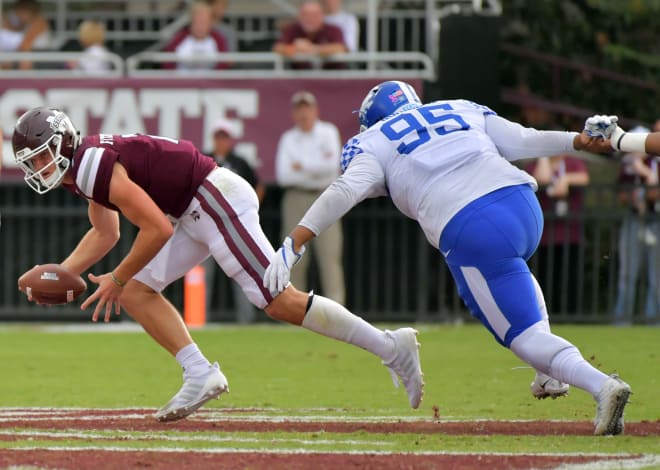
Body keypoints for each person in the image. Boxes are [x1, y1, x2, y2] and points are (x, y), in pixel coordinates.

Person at [11, 106, 424, 422]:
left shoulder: (90, 165)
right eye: (32, 162)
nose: (39, 168)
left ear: (64, 142)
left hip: (211, 198)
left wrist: (117, 277)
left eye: (43, 156)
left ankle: (390, 346)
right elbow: (107, 233)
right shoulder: (84, 168)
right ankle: (199, 373)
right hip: (191, 207)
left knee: (277, 300)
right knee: (138, 293)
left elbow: (155, 229)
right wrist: (61, 272)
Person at [265, 81, 632, 436]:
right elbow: (524, 139)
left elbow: (346, 189)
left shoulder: (373, 140)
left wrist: (296, 240)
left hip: (471, 224)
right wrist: (578, 141)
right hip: (523, 205)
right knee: (511, 270)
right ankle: (549, 371)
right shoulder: (459, 107)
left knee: (519, 336)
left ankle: (601, 385)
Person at [275, 90, 345, 303]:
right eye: (299, 109)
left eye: (307, 108)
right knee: (293, 256)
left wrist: (302, 167)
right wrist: (317, 168)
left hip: (325, 197)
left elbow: (333, 167)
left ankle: (338, 310)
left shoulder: (328, 132)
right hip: (296, 198)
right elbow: (283, 176)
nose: (303, 114)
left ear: (315, 111)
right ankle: (293, 308)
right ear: (293, 114)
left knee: (330, 257)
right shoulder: (288, 138)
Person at [203, 118, 265, 323]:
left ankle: (245, 320)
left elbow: (259, 185)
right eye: (218, 137)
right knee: (203, 274)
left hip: (235, 225)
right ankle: (198, 318)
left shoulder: (240, 162)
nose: (221, 141)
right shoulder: (204, 158)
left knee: (241, 272)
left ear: (231, 140)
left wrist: (250, 209)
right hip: (208, 223)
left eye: (225, 137)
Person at [526, 154, 590, 315]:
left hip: (570, 233)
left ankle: (571, 314)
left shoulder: (573, 162)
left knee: (569, 276)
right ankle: (547, 314)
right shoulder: (535, 163)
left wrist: (566, 179)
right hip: (544, 235)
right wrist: (543, 157)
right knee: (545, 277)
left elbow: (584, 178)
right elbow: (542, 179)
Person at [609, 126, 660, 325]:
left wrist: (645, 175)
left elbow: (655, 191)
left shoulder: (652, 162)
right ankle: (622, 320)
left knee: (656, 277)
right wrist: (637, 196)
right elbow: (622, 194)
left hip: (655, 220)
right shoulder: (628, 165)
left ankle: (653, 321)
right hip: (634, 219)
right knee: (627, 273)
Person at [272, 0, 347, 70]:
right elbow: (278, 48)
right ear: (299, 16)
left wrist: (313, 49)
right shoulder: (292, 29)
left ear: (322, 15)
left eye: (314, 15)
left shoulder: (334, 30)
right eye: (306, 15)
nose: (310, 19)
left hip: (331, 79)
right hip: (300, 80)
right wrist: (294, 48)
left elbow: (340, 48)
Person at [162, 1, 229, 73]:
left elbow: (223, 64)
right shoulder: (180, 37)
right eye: (198, 21)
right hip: (182, 81)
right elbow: (168, 62)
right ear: (191, 21)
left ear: (210, 22)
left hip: (210, 82)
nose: (200, 25)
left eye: (204, 21)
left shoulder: (218, 39)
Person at [0, 0, 51, 70]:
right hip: (29, 53)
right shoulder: (26, 24)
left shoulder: (39, 22)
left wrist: (10, 59)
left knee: (18, 62)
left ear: (30, 11)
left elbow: (25, 44)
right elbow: (15, 29)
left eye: (20, 12)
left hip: (40, 56)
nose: (18, 15)